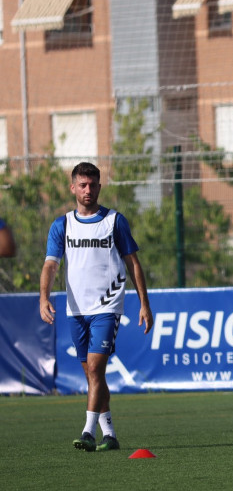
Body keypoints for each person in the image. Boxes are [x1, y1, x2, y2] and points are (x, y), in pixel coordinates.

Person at [40, 162, 154, 453]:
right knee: (94, 376)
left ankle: (88, 431)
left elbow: (133, 263)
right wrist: (44, 297)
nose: (87, 190)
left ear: (99, 187)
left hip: (107, 306)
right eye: (82, 185)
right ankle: (111, 435)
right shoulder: (62, 225)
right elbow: (51, 265)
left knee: (94, 368)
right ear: (73, 187)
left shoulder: (115, 221)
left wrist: (144, 303)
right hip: (76, 310)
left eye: (92, 185)